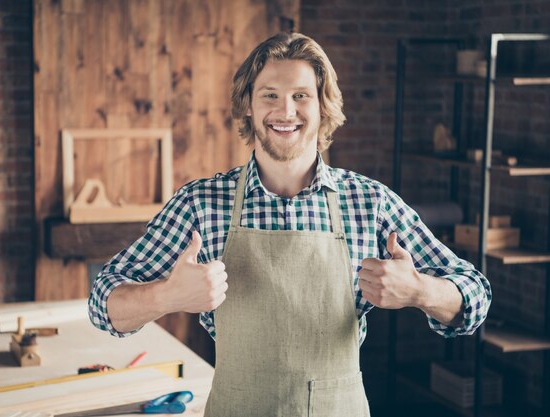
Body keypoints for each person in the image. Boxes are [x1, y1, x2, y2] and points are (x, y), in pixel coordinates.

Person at [88, 32, 491, 417]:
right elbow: (103, 304)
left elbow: (475, 298)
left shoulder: (370, 204)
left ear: (323, 106)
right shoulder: (201, 204)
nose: (285, 112)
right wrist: (167, 296)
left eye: (301, 96)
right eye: (270, 96)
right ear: (248, 104)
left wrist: (420, 290)